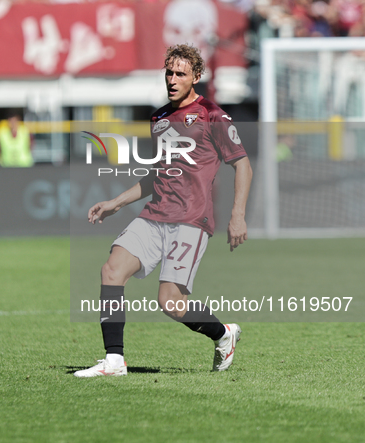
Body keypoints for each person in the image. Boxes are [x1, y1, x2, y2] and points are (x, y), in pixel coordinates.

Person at [74, 44, 253, 378]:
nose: (172, 79)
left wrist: (237, 214)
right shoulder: (158, 118)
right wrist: (116, 202)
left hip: (191, 220)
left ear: (196, 77)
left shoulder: (212, 115)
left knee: (170, 302)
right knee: (111, 271)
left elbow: (242, 165)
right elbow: (158, 173)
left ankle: (223, 335)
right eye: (168, 72)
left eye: (180, 73)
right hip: (154, 215)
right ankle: (114, 361)